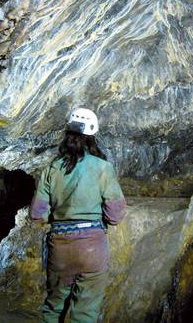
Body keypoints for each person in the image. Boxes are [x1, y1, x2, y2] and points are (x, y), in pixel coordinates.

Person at [30, 108, 126, 323]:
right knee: (85, 312)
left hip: (61, 247)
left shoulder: (51, 168)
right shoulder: (103, 168)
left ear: (67, 132)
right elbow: (115, 215)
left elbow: (37, 215)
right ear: (92, 135)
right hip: (93, 248)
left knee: (53, 308)